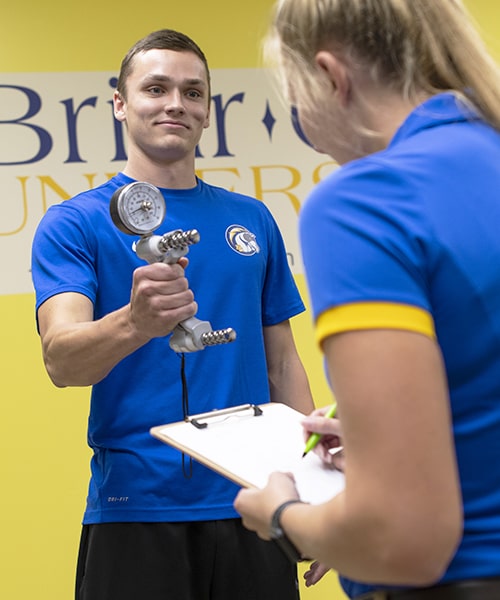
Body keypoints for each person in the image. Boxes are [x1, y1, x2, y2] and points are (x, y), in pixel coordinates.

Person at [31, 28, 314, 600]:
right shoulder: (73, 223)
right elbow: (63, 362)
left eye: (192, 92)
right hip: (136, 509)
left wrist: (309, 490)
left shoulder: (252, 219)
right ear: (119, 102)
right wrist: (134, 323)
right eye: (155, 88)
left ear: (208, 111)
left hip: (254, 505)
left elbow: (283, 363)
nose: (174, 104)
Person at [234, 1, 500, 599]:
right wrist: (386, 435)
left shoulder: (367, 203)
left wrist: (284, 515)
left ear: (331, 78)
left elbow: (400, 538)